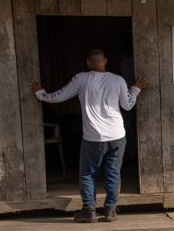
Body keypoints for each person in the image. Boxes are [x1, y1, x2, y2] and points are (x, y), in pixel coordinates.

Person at [30, 49, 147, 222]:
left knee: (88, 174)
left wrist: (41, 94)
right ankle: (110, 211)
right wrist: (135, 90)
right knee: (113, 174)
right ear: (105, 60)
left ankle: (89, 210)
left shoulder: (81, 78)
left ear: (88, 63)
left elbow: (59, 96)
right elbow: (128, 105)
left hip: (93, 138)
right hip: (117, 135)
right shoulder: (118, 80)